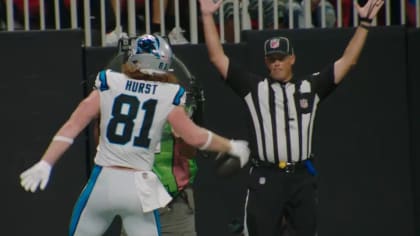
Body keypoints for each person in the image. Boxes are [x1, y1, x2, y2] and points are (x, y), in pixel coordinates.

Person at [19, 34, 250, 236]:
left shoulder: (110, 82)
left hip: (103, 182)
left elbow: (72, 127)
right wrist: (231, 146)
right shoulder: (168, 94)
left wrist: (46, 163)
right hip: (138, 190)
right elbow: (196, 137)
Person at [199, 0, 384, 235]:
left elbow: (348, 61)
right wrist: (206, 16)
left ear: (292, 59)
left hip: (301, 177)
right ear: (266, 62)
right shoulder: (253, 88)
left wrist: (365, 24)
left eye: (281, 57)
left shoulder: (311, 87)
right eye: (272, 58)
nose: (277, 62)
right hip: (266, 176)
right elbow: (217, 58)